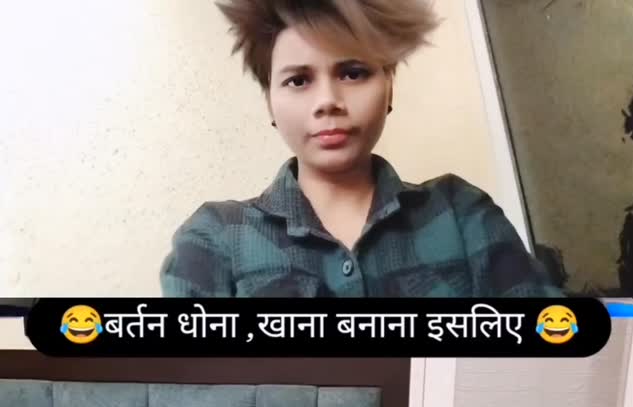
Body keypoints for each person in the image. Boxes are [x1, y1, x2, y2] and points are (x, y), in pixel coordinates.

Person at [161, 0, 564, 299]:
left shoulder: (460, 213)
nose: (328, 101)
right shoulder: (216, 238)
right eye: (298, 81)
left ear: (390, 87)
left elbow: (554, 351)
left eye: (353, 73)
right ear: (269, 102)